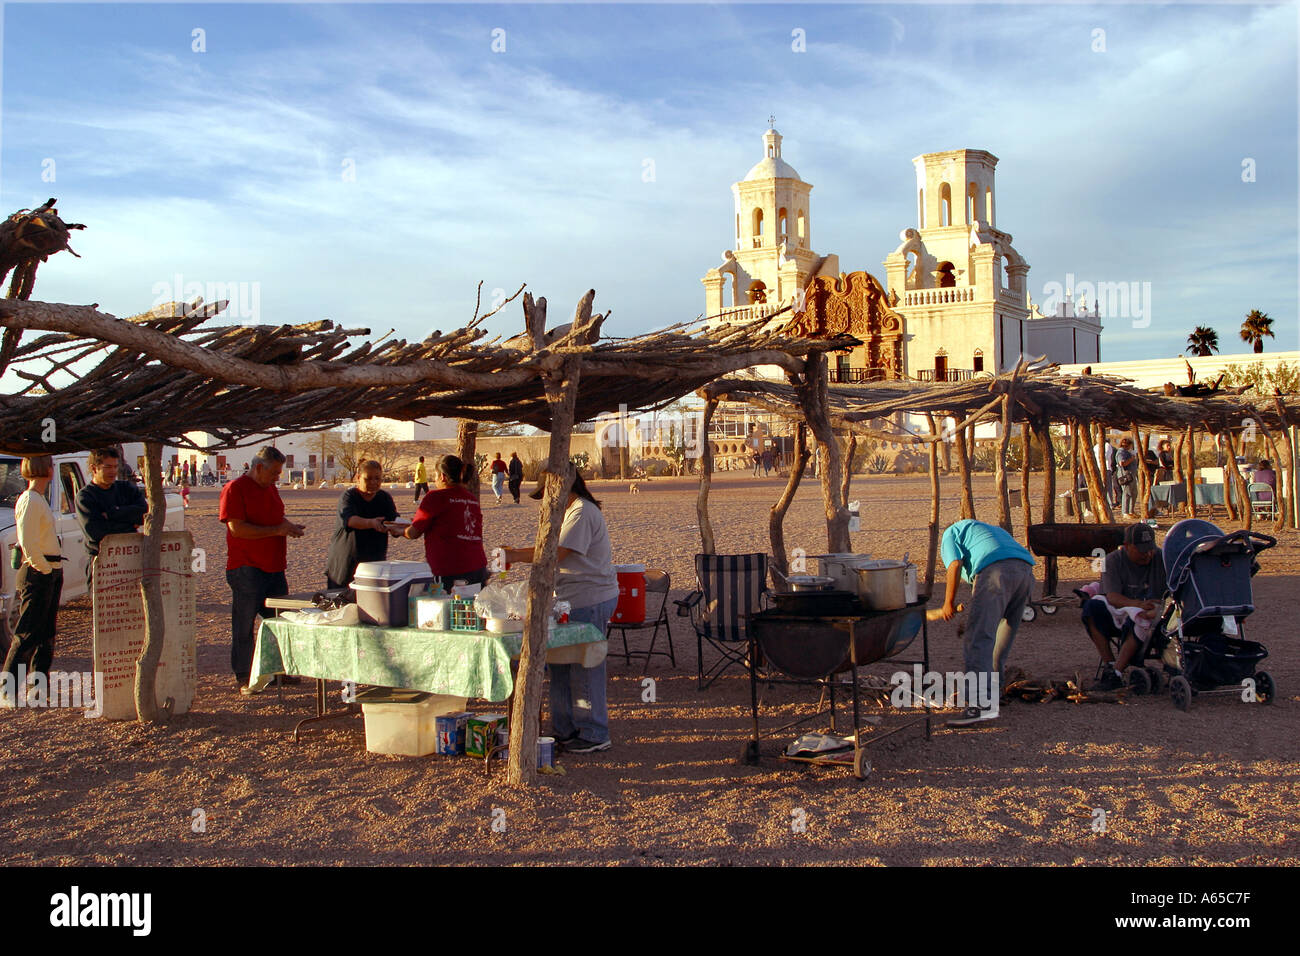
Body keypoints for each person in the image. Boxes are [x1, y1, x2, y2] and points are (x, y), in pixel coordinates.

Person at [503, 473, 619, 753]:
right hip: (568, 598)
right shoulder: (568, 513)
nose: (545, 502)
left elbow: (556, 552)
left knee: (585, 664)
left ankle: (593, 732)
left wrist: (515, 555)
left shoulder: (581, 512)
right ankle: (564, 728)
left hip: (589, 597)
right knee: (559, 663)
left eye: (547, 495)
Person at [220, 446, 305, 693]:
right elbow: (237, 529)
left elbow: (276, 519)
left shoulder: (271, 489)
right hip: (247, 567)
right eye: (275, 473)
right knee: (244, 625)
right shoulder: (235, 489)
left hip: (274, 567)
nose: (278, 477)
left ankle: (278, 671)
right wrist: (276, 530)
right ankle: (245, 674)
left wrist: (288, 527)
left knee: (280, 622)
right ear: (259, 468)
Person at [939, 519, 1036, 726]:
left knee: (978, 640)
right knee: (1002, 635)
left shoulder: (950, 533)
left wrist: (948, 603)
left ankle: (978, 705)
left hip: (995, 571)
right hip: (1025, 571)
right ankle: (995, 693)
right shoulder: (985, 530)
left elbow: (955, 565)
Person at [2, 455, 62, 706]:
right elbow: (27, 541)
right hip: (38, 572)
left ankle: (38, 686)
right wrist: (44, 570)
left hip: (49, 569)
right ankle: (8, 690)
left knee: (46, 632)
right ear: (47, 470)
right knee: (28, 631)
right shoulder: (30, 500)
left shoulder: (38, 499)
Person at [1083, 523, 1167, 691]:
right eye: (1142, 550)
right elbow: (1112, 596)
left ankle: (1116, 673)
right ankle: (1110, 664)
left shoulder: (1162, 558)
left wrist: (1155, 607)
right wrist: (1138, 604)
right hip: (1124, 609)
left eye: (1150, 549)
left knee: (1142, 618)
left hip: (1155, 614)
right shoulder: (1112, 560)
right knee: (1091, 608)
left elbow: (1172, 593)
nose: (1148, 554)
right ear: (1127, 546)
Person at [403, 455, 487, 591]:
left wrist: (399, 530)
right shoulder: (471, 498)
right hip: (478, 566)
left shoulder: (435, 497)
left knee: (450, 610)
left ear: (442, 476)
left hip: (450, 569)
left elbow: (413, 533)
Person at [75, 447, 148, 587]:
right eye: (107, 467)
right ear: (94, 468)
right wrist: (129, 523)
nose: (113, 471)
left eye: (115, 466)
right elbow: (96, 532)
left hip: (130, 560)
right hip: (102, 563)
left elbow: (144, 513)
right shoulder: (85, 497)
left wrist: (112, 513)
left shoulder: (126, 488)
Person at [325, 460, 402, 589]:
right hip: (346, 566)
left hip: (374, 567)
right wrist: (371, 523)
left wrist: (401, 527)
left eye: (377, 478)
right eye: (368, 479)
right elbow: (350, 520)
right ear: (358, 478)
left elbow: (393, 520)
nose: (373, 482)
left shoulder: (384, 498)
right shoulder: (349, 496)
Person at [1114, 437, 1138, 517]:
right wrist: (1132, 459)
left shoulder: (1127, 452)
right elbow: (1122, 463)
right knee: (1127, 493)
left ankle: (1131, 511)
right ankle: (1125, 512)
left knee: (1134, 493)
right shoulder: (1121, 452)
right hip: (1126, 476)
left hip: (1131, 475)